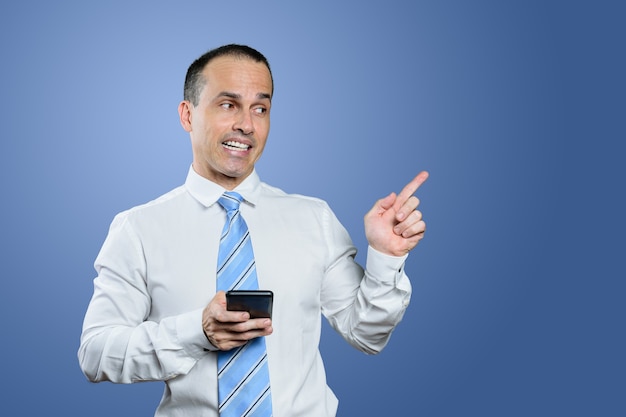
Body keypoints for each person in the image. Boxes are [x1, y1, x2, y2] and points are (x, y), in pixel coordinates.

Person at [78, 44, 428, 417]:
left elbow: (367, 335)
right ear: (187, 115)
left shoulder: (314, 219)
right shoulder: (138, 230)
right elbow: (96, 354)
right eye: (228, 104)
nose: (246, 124)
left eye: (260, 108)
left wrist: (386, 259)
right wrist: (197, 331)